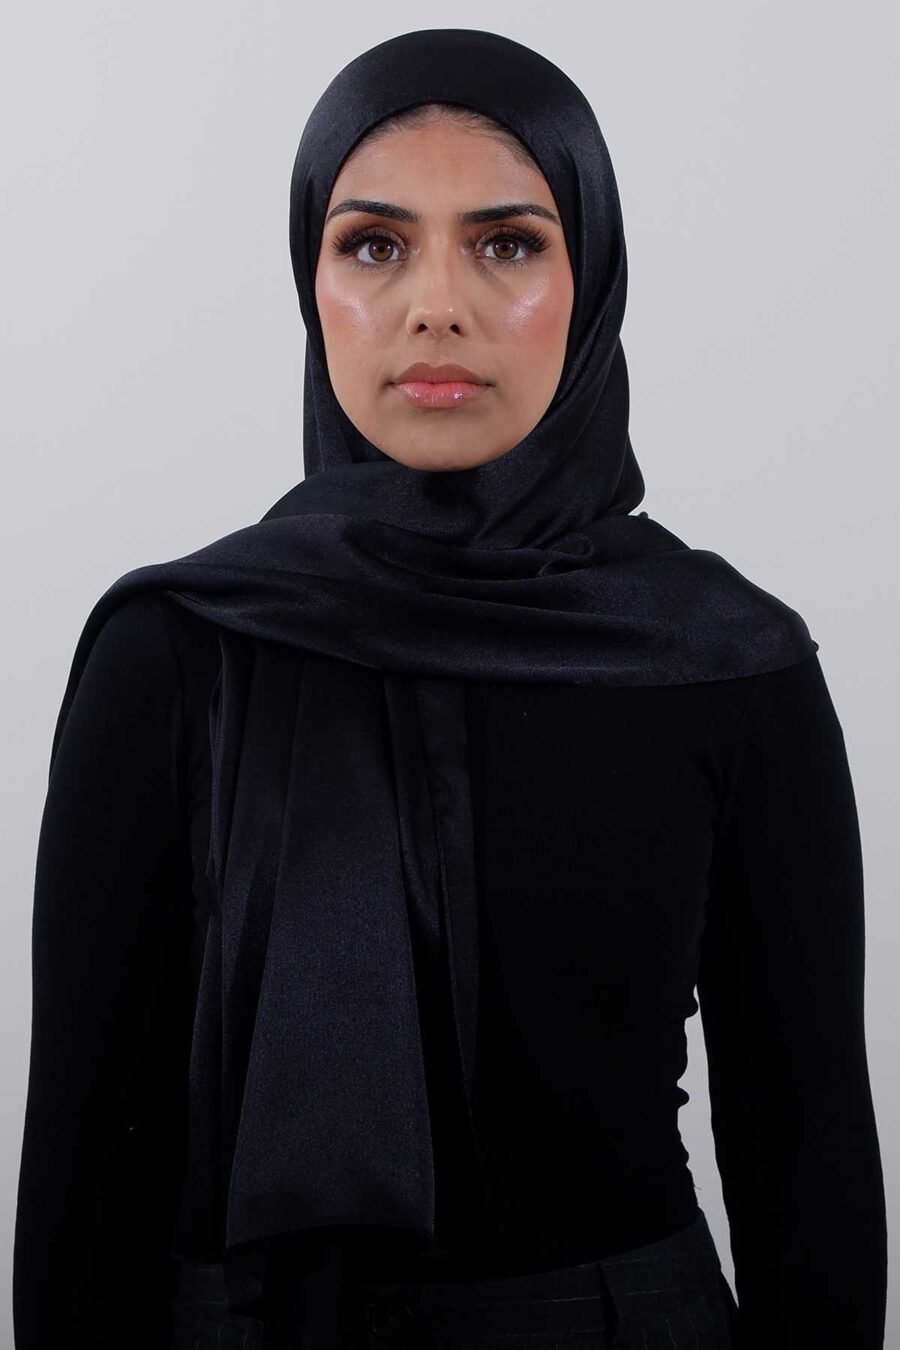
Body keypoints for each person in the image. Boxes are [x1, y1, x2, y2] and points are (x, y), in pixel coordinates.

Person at [13, 27, 887, 1350]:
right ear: (310, 281)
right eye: (374, 244)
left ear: (592, 279)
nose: (436, 304)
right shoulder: (177, 649)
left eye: (508, 244)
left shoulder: (730, 660)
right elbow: (88, 1172)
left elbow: (807, 1164)